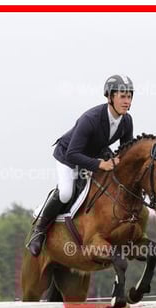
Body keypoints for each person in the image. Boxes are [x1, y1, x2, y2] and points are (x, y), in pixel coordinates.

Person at [26, 75, 135, 257]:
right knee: (66, 193)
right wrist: (101, 164)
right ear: (110, 97)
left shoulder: (126, 121)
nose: (127, 101)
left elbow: (125, 152)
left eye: (129, 97)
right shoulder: (90, 118)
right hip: (68, 156)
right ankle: (39, 231)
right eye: (122, 96)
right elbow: (73, 153)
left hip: (94, 155)